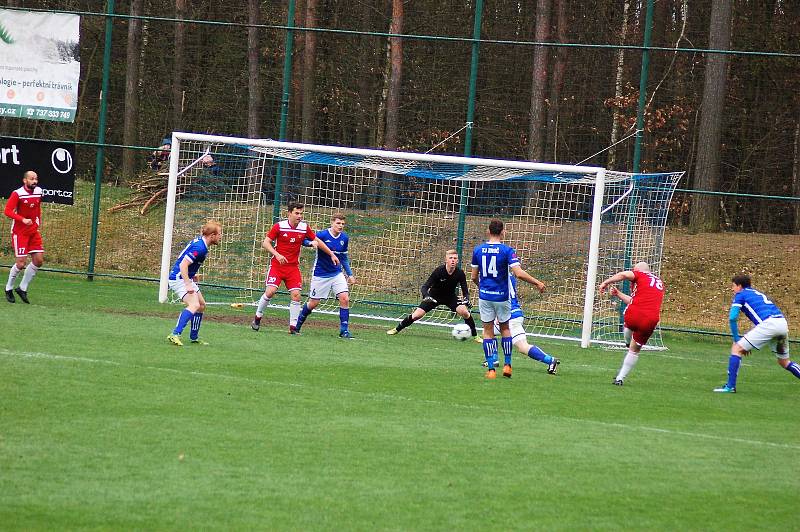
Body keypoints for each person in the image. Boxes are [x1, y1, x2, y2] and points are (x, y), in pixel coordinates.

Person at [470, 219, 546, 379]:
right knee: (505, 329)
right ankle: (507, 365)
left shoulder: (478, 250)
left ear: (488, 232)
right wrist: (537, 282)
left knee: (488, 332)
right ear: (503, 232)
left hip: (485, 296)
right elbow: (518, 273)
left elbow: (474, 277)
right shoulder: (507, 250)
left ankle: (491, 369)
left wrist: (483, 288)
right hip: (502, 297)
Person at [251, 202, 339, 334]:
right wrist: (277, 254)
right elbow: (265, 242)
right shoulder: (279, 226)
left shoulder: (304, 227)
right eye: (297, 213)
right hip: (277, 266)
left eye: (301, 213)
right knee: (270, 291)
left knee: (296, 296)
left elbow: (317, 240)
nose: (299, 216)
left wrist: (331, 254)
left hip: (292, 268)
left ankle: (293, 328)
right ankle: (257, 318)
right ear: (289, 214)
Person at [713, 274, 799, 393]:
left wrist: (737, 338)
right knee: (784, 362)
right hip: (781, 323)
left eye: (733, 286)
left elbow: (732, 318)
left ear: (739, 286)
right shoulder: (755, 293)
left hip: (769, 324)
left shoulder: (740, 295)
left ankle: (730, 387)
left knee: (736, 348)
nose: (732, 289)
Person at [387, 249, 478, 341]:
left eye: (455, 258)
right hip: (434, 296)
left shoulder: (460, 273)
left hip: (450, 297)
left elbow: (465, 290)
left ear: (457, 261)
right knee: (416, 315)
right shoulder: (439, 271)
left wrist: (466, 299)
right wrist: (426, 296)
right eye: (450, 258)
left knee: (465, 312)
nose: (453, 260)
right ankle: (397, 329)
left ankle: (475, 336)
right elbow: (425, 287)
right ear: (446, 260)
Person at [598, 261, 665, 386]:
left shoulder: (640, 275)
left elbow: (623, 275)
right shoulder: (659, 283)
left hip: (634, 313)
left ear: (638, 270)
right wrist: (618, 293)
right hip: (651, 319)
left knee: (629, 323)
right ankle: (620, 378)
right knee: (634, 351)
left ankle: (628, 342)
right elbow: (636, 301)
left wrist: (606, 282)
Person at [481, 272, 560, 375]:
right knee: (490, 333)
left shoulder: (495, 276)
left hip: (508, 316)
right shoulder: (508, 274)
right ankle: (494, 359)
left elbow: (498, 296)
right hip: (515, 313)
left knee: (520, 345)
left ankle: (550, 360)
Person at [294, 213, 356, 339]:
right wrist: (311, 243)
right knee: (313, 303)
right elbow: (304, 240)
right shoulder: (322, 235)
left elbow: (343, 258)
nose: (341, 226)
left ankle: (344, 330)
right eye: (338, 223)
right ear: (332, 223)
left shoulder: (344, 238)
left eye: (343, 224)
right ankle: (298, 324)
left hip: (336, 273)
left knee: (345, 298)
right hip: (321, 274)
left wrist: (350, 274)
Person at [166, 220, 223, 346]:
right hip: (179, 279)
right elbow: (183, 264)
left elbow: (185, 260)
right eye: (219, 234)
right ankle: (175, 334)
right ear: (212, 236)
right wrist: (187, 283)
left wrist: (192, 275)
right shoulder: (200, 248)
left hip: (185, 277)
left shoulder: (201, 243)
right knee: (194, 305)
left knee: (201, 305)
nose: (220, 236)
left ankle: (194, 337)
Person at [4, 170, 44, 304]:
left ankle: (22, 288)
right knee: (21, 263)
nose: (35, 181)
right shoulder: (17, 193)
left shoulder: (39, 191)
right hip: (20, 233)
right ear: (25, 180)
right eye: (32, 179)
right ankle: (8, 288)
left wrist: (38, 220)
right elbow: (7, 211)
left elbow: (37, 208)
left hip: (33, 231)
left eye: (36, 179)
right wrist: (22, 219)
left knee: (38, 260)